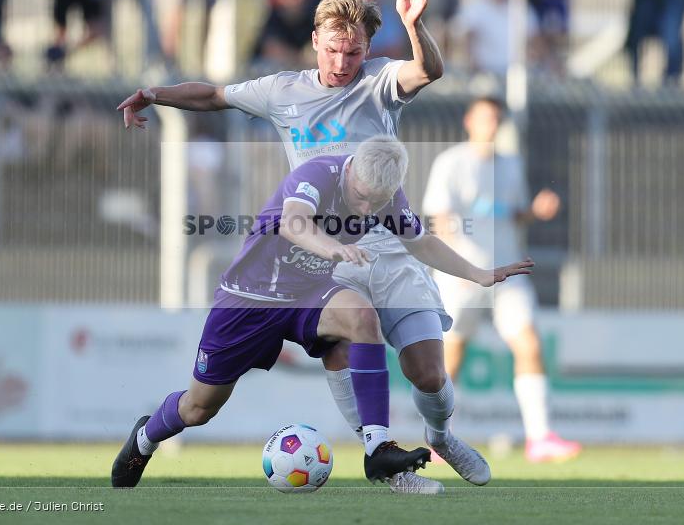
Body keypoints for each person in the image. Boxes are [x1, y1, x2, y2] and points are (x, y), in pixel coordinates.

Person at [118, 0, 488, 495]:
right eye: (334, 50)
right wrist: (155, 94)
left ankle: (440, 437)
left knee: (428, 374)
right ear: (315, 39)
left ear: (367, 50)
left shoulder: (379, 81)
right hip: (320, 255)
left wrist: (413, 25)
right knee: (322, 346)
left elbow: (429, 69)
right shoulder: (282, 90)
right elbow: (212, 95)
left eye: (354, 52)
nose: (342, 63)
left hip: (389, 243)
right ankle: (383, 458)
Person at [110, 136, 535, 487]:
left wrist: (478, 274)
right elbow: (294, 223)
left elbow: (419, 242)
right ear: (351, 171)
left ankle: (378, 449)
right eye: (363, 200)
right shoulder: (318, 174)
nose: (368, 211)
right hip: (249, 300)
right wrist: (332, 246)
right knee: (198, 409)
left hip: (309, 295)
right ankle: (145, 438)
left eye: (379, 203)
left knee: (362, 317)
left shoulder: (383, 192)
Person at [422, 96, 582, 463]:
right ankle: (439, 442)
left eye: (496, 119)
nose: (490, 125)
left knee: (529, 344)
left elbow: (512, 215)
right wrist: (459, 268)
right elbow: (440, 219)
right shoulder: (451, 163)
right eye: (484, 118)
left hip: (507, 275)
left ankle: (539, 439)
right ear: (469, 121)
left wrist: (534, 212)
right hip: (462, 277)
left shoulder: (510, 164)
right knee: (451, 360)